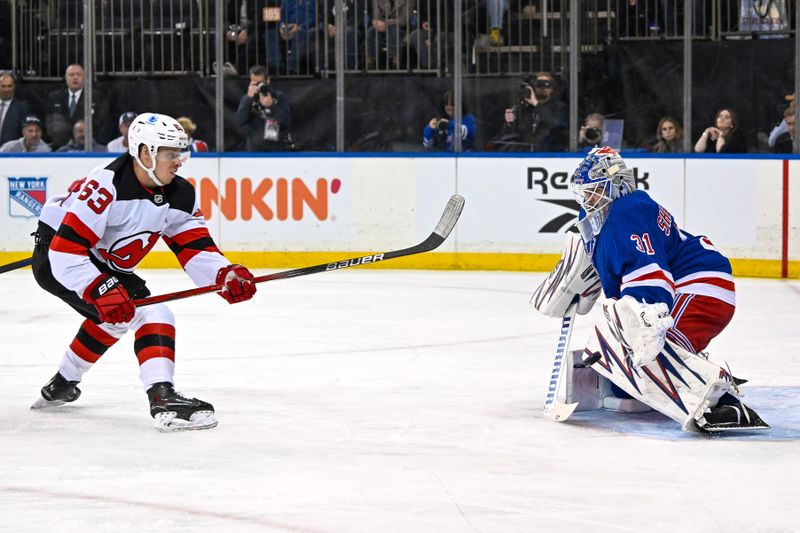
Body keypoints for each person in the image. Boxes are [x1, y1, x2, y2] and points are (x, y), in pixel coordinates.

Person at [30, 112, 257, 432]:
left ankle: (62, 384)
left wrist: (224, 276)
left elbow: (195, 248)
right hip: (59, 255)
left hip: (95, 257)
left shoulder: (180, 194)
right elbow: (65, 252)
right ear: (146, 152)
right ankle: (162, 396)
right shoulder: (106, 184)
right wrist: (98, 287)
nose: (179, 161)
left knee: (118, 314)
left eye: (181, 153)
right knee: (152, 313)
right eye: (171, 153)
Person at [531, 146, 768, 433]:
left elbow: (652, 283)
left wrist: (641, 331)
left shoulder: (624, 214)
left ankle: (723, 403)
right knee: (627, 380)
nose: (587, 199)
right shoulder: (612, 215)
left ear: (615, 186)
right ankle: (688, 372)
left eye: (594, 191)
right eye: (585, 192)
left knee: (648, 344)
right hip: (695, 286)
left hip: (701, 286)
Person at [494, 72, 568, 152]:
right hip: (526, 155)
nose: (542, 87)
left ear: (552, 89)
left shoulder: (560, 107)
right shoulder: (524, 109)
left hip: (550, 155)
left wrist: (536, 104)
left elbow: (556, 124)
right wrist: (509, 123)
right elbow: (508, 136)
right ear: (533, 87)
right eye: (539, 84)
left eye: (547, 85)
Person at [235, 68, 292, 151]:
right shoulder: (247, 99)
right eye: (255, 83)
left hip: (276, 150)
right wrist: (248, 98)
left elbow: (286, 121)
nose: (258, 86)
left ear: (268, 80)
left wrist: (272, 106)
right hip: (254, 150)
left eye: (261, 83)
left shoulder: (278, 96)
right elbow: (239, 121)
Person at [265, 0, 317, 74]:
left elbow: (315, 17)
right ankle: (276, 67)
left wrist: (300, 26)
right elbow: (281, 15)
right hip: (288, 27)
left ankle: (292, 68)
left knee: (299, 33)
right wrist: (282, 26)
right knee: (270, 34)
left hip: (306, 28)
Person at [45, 64, 89, 149]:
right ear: (66, 77)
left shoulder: (95, 97)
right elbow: (49, 121)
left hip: (87, 147)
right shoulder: (54, 97)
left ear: (84, 77)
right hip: (60, 146)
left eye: (78, 74)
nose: (75, 77)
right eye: (71, 75)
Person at [366, 0, 411, 69]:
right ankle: (370, 62)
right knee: (371, 31)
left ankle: (395, 61)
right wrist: (377, 23)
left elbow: (403, 20)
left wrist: (387, 23)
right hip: (381, 27)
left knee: (393, 30)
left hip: (401, 28)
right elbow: (376, 16)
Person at [0, 72, 33, 146]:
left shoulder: (23, 107)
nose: (6, 89)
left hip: (9, 152)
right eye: (3, 86)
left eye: (9, 86)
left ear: (14, 87)